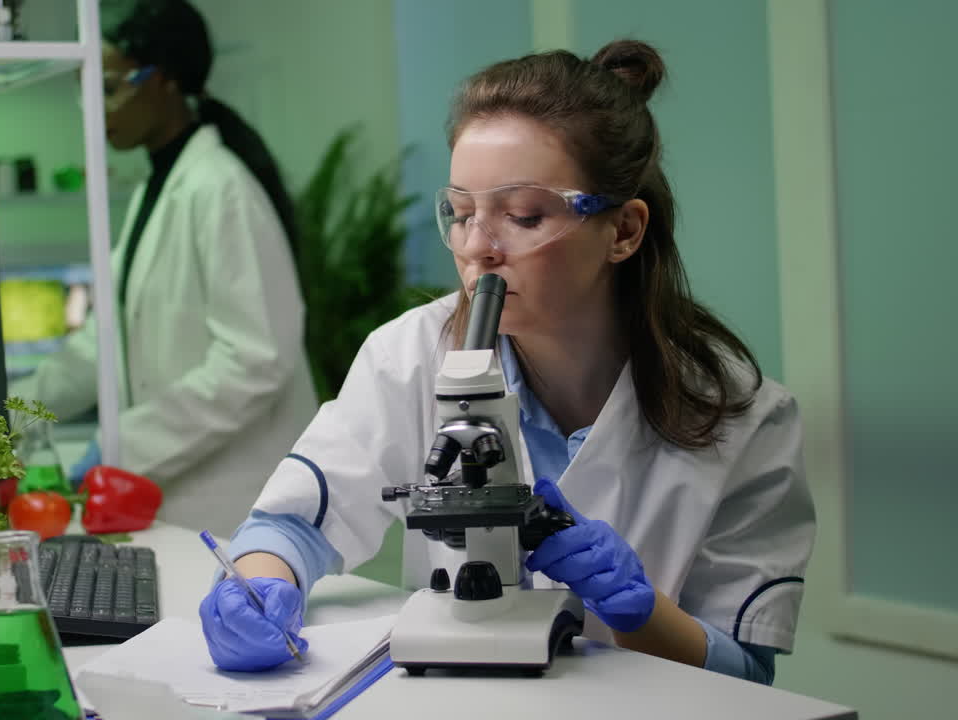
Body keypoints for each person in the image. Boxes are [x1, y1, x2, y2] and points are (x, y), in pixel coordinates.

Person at [197, 40, 816, 684]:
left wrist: (639, 611)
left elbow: (745, 673)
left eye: (522, 215)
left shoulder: (745, 418)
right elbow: (295, 525)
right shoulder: (411, 354)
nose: (478, 249)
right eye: (463, 214)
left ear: (625, 231)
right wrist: (258, 587)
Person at [12, 0, 316, 536]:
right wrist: (8, 413)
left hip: (238, 503)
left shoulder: (220, 189)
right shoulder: (159, 190)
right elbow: (104, 340)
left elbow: (255, 360)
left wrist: (125, 442)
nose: (97, 109)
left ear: (164, 83)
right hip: (183, 498)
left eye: (110, 89)